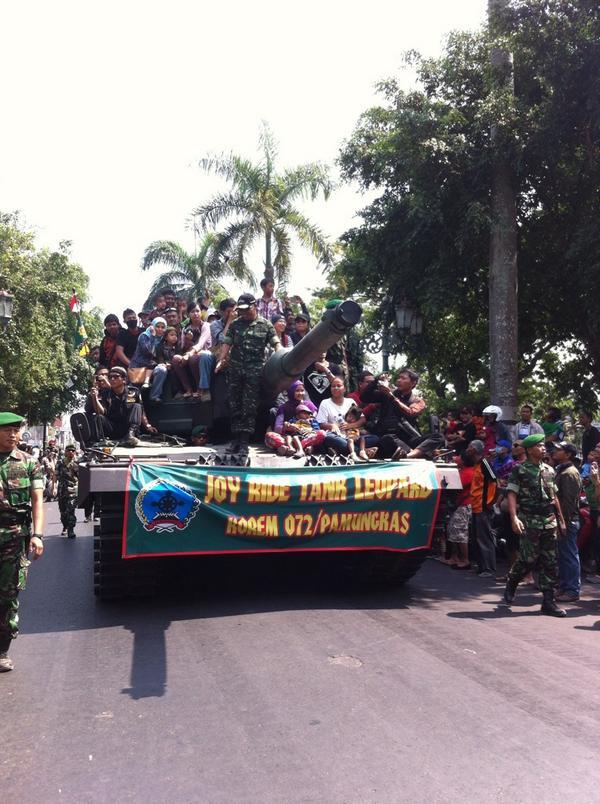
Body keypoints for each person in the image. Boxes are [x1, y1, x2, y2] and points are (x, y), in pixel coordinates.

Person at [503, 433, 567, 616]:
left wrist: (561, 521)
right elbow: (512, 494)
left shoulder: (549, 470)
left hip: (549, 520)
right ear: (530, 450)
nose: (543, 448)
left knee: (550, 561)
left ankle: (548, 601)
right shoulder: (520, 470)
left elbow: (554, 498)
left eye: (543, 445)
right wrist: (514, 518)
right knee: (528, 559)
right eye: (539, 446)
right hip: (529, 519)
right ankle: (512, 581)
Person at [0, 412, 44, 672]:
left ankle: (2, 650)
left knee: (8, 595)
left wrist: (38, 535)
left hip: (14, 538)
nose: (12, 434)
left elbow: (37, 500)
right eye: (7, 430)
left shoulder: (29, 463)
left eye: (16, 430)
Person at [216, 293, 280, 455]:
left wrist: (281, 356)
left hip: (254, 371)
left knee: (249, 407)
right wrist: (221, 360)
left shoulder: (265, 325)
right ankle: (235, 439)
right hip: (236, 369)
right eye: (241, 310)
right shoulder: (236, 324)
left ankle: (244, 441)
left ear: (254, 306)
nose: (243, 313)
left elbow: (276, 343)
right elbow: (227, 343)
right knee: (234, 404)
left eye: (247, 309)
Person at [361, 369, 443, 459]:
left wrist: (392, 397)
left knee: (438, 436)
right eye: (398, 378)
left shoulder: (417, 400)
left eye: (403, 378)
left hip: (409, 439)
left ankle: (410, 455)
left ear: (413, 383)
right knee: (387, 438)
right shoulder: (386, 394)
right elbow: (364, 397)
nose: (399, 380)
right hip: (389, 439)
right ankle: (418, 454)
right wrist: (376, 380)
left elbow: (410, 413)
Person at [85, 366, 157, 446]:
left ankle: (131, 435)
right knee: (98, 417)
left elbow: (140, 410)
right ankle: (100, 441)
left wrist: (147, 425)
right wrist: (94, 398)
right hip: (112, 428)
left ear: (124, 380)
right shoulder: (106, 393)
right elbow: (101, 412)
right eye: (110, 377)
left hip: (127, 428)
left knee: (136, 406)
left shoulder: (132, 392)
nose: (112, 379)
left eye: (116, 377)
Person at [553, 442, 583, 602]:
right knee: (563, 555)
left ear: (568, 454)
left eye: (559, 450)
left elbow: (569, 502)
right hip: (562, 519)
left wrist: (563, 521)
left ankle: (572, 590)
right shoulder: (562, 470)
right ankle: (564, 586)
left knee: (570, 555)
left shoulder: (569, 473)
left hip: (568, 520)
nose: (555, 451)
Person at [467, 439, 498, 578]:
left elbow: (494, 482)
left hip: (483, 507)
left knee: (485, 538)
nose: (468, 449)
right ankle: (481, 566)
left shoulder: (485, 464)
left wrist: (488, 502)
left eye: (470, 447)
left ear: (475, 449)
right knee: (476, 537)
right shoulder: (476, 465)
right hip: (475, 506)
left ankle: (489, 568)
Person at [172, 303, 212, 399]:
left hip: (205, 355)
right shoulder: (185, 329)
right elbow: (182, 348)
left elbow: (201, 343)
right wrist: (187, 340)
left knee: (193, 358)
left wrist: (189, 354)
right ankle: (188, 389)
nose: (195, 314)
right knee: (175, 358)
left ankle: (200, 388)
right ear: (189, 314)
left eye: (197, 311)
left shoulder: (206, 325)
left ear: (201, 313)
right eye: (192, 312)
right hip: (189, 354)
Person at [446, 451, 476, 569]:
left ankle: (465, 560)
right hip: (461, 504)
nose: (455, 457)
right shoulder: (463, 471)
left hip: (464, 504)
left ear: (463, 460)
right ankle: (455, 557)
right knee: (454, 530)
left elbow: (454, 486)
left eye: (458, 456)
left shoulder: (468, 472)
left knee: (460, 532)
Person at [128, 317, 167, 388]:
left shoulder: (163, 339)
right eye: (157, 326)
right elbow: (147, 351)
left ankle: (154, 396)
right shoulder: (144, 336)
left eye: (162, 327)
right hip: (139, 367)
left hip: (152, 367)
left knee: (162, 370)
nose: (160, 329)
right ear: (152, 326)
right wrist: (152, 336)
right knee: (135, 389)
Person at [149, 326, 179, 403]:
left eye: (175, 335)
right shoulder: (160, 346)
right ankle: (154, 396)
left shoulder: (178, 347)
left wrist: (172, 365)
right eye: (171, 335)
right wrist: (165, 364)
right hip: (162, 366)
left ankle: (178, 393)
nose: (174, 337)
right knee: (161, 369)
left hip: (175, 367)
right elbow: (159, 359)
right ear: (165, 337)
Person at [56, 444, 78, 538]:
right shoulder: (60, 462)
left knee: (71, 510)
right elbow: (55, 475)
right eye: (69, 450)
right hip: (61, 490)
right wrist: (53, 486)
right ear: (65, 452)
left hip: (72, 490)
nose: (71, 452)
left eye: (73, 450)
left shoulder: (76, 463)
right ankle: (65, 526)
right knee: (62, 511)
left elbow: (80, 476)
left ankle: (71, 530)